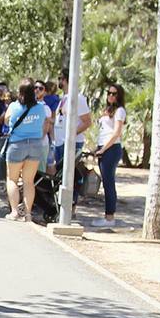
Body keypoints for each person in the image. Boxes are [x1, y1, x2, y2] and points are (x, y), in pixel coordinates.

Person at [3, 79, 53, 223]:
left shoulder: (14, 106)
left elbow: (6, 120)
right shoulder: (40, 108)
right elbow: (45, 121)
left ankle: (14, 212)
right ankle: (28, 214)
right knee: (29, 181)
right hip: (35, 145)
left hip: (17, 145)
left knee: (12, 179)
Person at [90, 84, 126, 228]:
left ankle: (110, 217)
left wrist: (103, 149)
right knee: (106, 183)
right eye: (109, 93)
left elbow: (116, 133)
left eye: (114, 93)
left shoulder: (120, 111)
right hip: (103, 147)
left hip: (111, 149)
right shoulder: (108, 111)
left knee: (109, 183)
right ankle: (108, 216)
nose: (111, 95)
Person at [50, 72, 91, 191]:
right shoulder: (63, 98)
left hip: (71, 144)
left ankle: (71, 206)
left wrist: (71, 136)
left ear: (67, 80)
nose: (59, 81)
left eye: (60, 78)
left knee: (71, 179)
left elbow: (87, 122)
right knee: (61, 178)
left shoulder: (78, 98)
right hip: (59, 143)